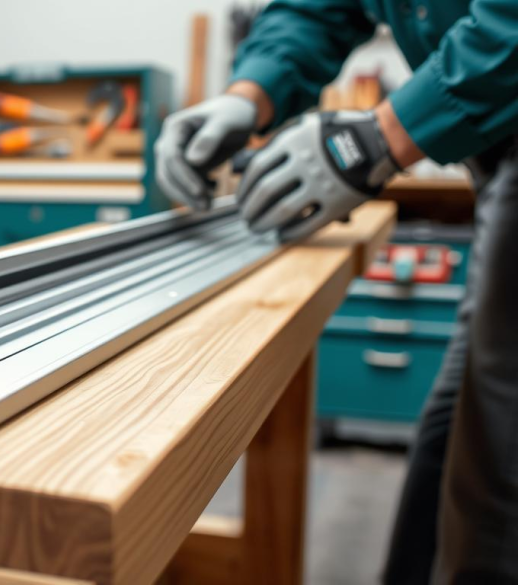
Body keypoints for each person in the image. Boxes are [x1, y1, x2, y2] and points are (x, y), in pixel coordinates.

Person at [153, 1, 518, 582]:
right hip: (497, 154)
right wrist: (248, 95)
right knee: (451, 446)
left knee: (500, 484)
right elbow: (317, 8)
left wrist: (380, 138)